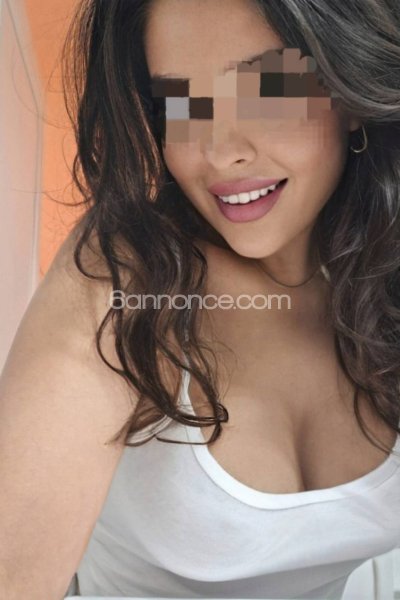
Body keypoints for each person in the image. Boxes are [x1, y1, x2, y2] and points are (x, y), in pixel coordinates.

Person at [1, 0, 400, 598]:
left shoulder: (384, 268)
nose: (218, 152)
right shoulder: (124, 280)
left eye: (265, 88)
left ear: (349, 88)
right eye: (180, 103)